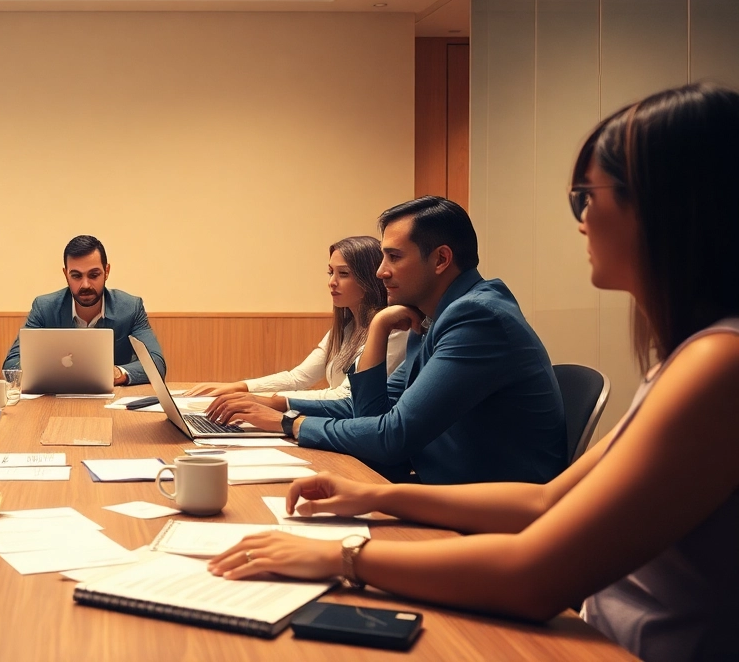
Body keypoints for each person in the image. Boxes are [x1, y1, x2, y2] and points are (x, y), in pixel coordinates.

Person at [209, 83, 739, 661]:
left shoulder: (718, 364)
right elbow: (544, 503)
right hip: (589, 626)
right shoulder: (690, 358)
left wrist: (340, 557)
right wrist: (368, 498)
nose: (582, 220)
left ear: (671, 202)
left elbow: (533, 574)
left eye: (587, 195)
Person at [208, 196, 566, 485]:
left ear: (441, 259)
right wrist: (275, 406)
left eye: (394, 257)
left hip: (488, 515)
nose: (380, 272)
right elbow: (373, 411)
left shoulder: (477, 318)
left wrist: (290, 424)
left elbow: (393, 436)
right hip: (445, 487)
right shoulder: (435, 315)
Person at [187, 236, 408, 403]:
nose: (332, 282)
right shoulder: (346, 329)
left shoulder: (393, 329)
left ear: (369, 278)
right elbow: (298, 378)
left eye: (343, 274)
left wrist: (270, 401)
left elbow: (344, 397)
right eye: (330, 272)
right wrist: (240, 387)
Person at [2, 235, 165, 385]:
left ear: (106, 272)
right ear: (66, 274)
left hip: (113, 404)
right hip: (55, 402)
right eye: (76, 276)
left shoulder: (130, 307)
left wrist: (117, 373)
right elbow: (11, 365)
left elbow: (156, 363)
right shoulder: (45, 308)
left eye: (93, 275)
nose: (85, 285)